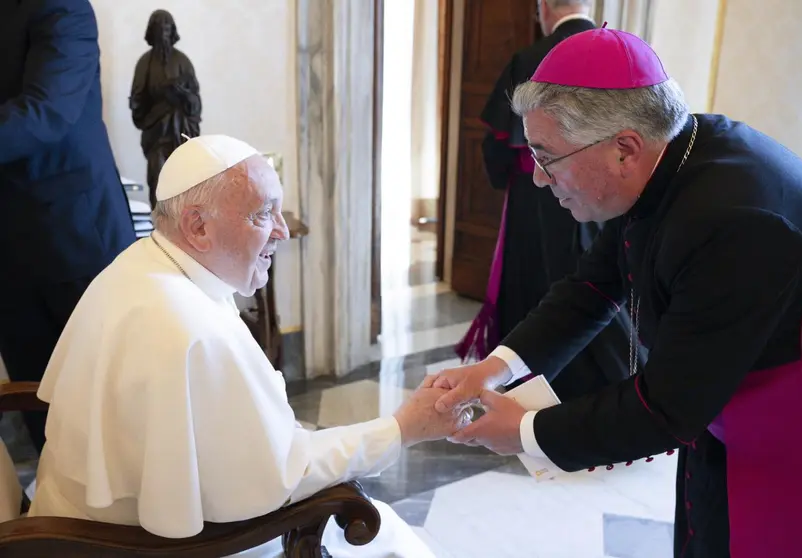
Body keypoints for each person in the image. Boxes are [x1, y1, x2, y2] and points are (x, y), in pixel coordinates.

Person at [425, 26, 802, 558]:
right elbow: (591, 288)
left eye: (547, 156)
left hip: (794, 423)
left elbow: (665, 409)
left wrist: (526, 432)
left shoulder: (737, 220)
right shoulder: (670, 159)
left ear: (624, 148)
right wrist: (493, 370)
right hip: (722, 401)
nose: (539, 179)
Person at [27, 135, 460, 557]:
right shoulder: (188, 328)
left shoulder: (142, 263)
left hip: (76, 521)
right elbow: (284, 474)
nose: (284, 232)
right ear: (197, 226)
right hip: (138, 545)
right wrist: (403, 427)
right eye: (264, 214)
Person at [458, 0, 639, 401]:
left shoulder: (529, 58)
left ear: (543, 8)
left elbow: (498, 146)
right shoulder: (620, 53)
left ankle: (532, 385)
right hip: (608, 193)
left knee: (543, 282)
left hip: (534, 202)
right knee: (602, 277)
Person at [0, 0, 136, 453]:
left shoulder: (62, 7)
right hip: (10, 249)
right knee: (40, 405)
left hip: (75, 236)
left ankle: (133, 520)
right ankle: (60, 514)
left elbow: (45, 113)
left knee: (111, 404)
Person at [130, 9, 202, 209]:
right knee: (158, 179)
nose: (163, 32)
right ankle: (160, 227)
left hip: (181, 132)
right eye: (159, 28)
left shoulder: (183, 62)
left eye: (167, 27)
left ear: (173, 31)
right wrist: (143, 105)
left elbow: (195, 102)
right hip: (156, 133)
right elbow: (137, 99)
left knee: (183, 181)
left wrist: (182, 94)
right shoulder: (145, 63)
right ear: (152, 32)